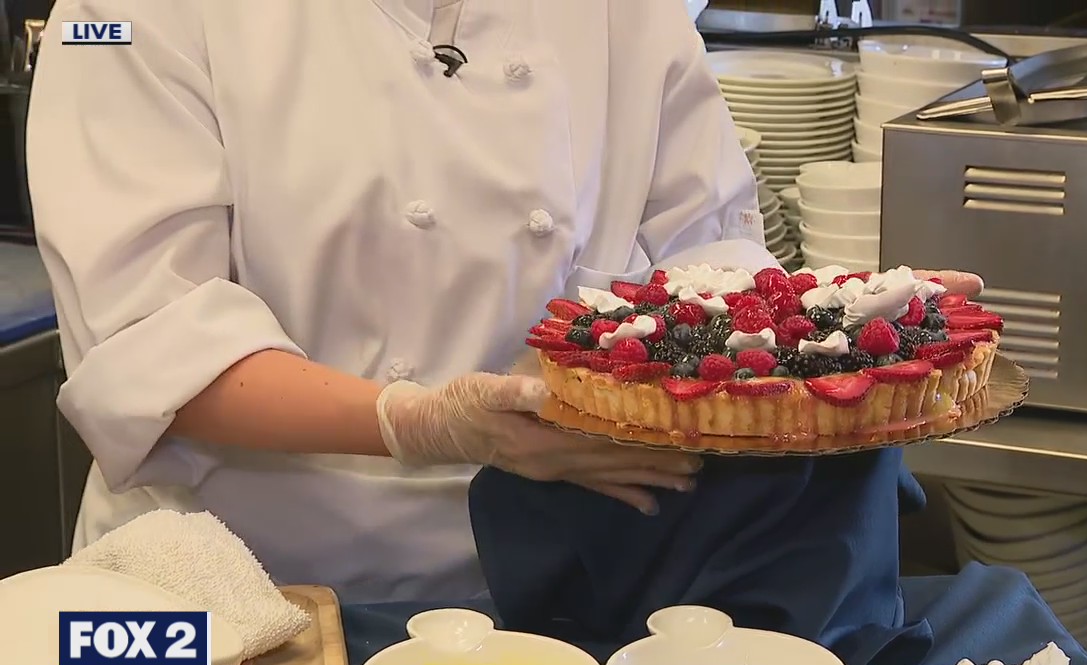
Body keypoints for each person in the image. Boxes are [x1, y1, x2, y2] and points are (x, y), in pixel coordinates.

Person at [28, 0, 980, 604]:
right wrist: (423, 422)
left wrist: (837, 321)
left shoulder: (625, 13)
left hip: (550, 579)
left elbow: (703, 263)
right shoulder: (121, 15)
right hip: (216, 590)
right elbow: (151, 345)